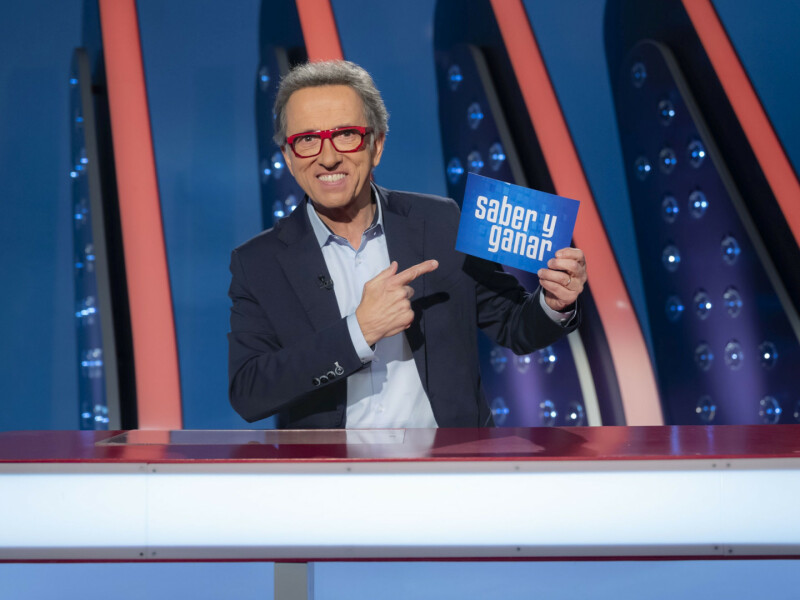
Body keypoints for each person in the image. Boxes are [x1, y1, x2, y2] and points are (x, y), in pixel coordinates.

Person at [228, 60, 587, 428]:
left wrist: (554, 303)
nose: (329, 157)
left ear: (377, 145)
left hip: (448, 459)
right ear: (288, 158)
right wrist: (358, 332)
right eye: (307, 140)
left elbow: (513, 324)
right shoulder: (258, 263)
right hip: (334, 464)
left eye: (346, 134)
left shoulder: (442, 222)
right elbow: (249, 391)